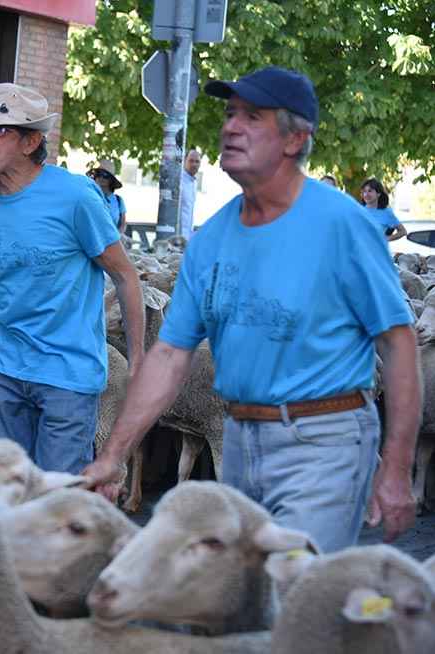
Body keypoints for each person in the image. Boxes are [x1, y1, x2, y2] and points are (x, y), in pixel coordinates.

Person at [82, 66, 419, 553]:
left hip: (322, 441)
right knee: (242, 587)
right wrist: (113, 453)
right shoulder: (211, 239)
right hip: (239, 438)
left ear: (295, 139)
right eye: (230, 114)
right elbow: (170, 356)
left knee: (296, 581)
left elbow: (399, 343)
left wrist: (397, 464)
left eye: (252, 117)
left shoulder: (342, 225)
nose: (231, 127)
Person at [0, 83, 146, 474]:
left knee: (55, 495)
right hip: (5, 371)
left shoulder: (75, 196)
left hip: (68, 376)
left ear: (31, 142)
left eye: (0, 130)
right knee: (3, 486)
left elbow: (125, 275)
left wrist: (137, 362)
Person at [361, 178, 406, 242]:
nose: (366, 194)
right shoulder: (358, 210)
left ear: (378, 194)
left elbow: (403, 231)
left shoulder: (387, 213)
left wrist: (387, 238)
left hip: (377, 248)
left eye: (370, 191)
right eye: (364, 191)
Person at [88, 161, 127, 233]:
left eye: (105, 175)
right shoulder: (90, 197)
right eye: (98, 174)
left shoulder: (119, 200)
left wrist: (118, 235)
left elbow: (123, 224)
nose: (100, 177)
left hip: (113, 238)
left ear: (111, 180)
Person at [180, 149, 201, 240]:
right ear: (184, 161)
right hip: (176, 237)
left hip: (187, 236)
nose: (194, 164)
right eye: (191, 161)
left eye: (197, 161)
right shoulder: (178, 180)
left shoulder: (194, 183)